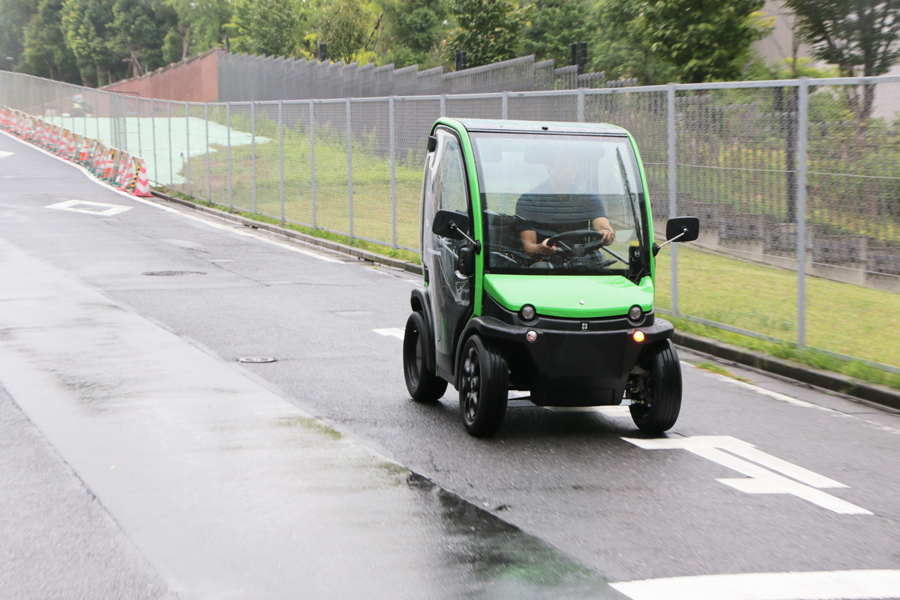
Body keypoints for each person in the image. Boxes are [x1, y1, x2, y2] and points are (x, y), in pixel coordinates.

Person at [515, 151, 615, 258]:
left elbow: (603, 226)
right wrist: (541, 248)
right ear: (549, 166)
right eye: (562, 164)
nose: (568, 171)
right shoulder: (529, 200)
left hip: (582, 261)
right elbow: (529, 246)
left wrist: (607, 233)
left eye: (573, 165)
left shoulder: (588, 196)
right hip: (545, 264)